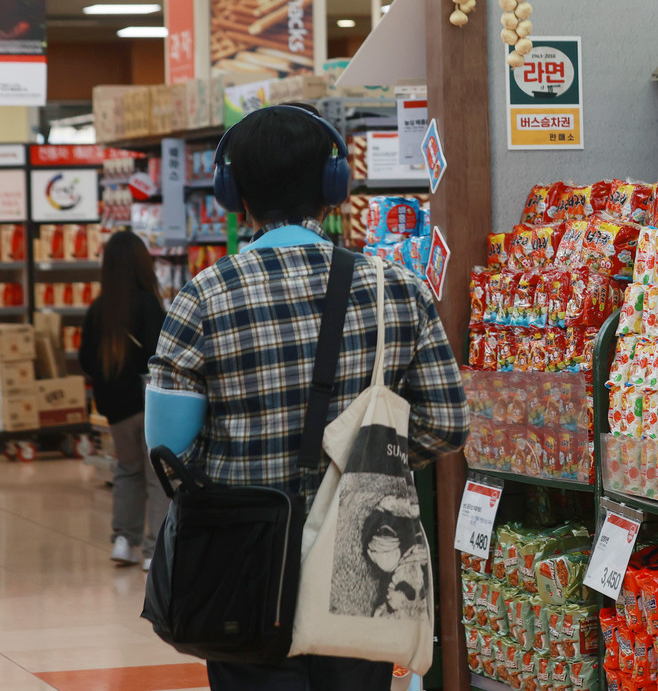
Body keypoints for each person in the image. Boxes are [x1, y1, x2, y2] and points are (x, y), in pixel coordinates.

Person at [144, 103, 469, 691]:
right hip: (366, 549)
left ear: (230, 192)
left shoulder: (203, 298)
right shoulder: (395, 289)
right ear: (333, 186)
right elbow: (447, 424)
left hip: (242, 561)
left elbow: (166, 447)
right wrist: (361, 463)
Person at [79, 229, 167, 570]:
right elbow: (161, 355)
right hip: (148, 406)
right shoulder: (149, 305)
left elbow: (86, 361)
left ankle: (123, 540)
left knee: (127, 471)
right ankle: (152, 548)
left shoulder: (98, 310)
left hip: (114, 410)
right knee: (156, 477)